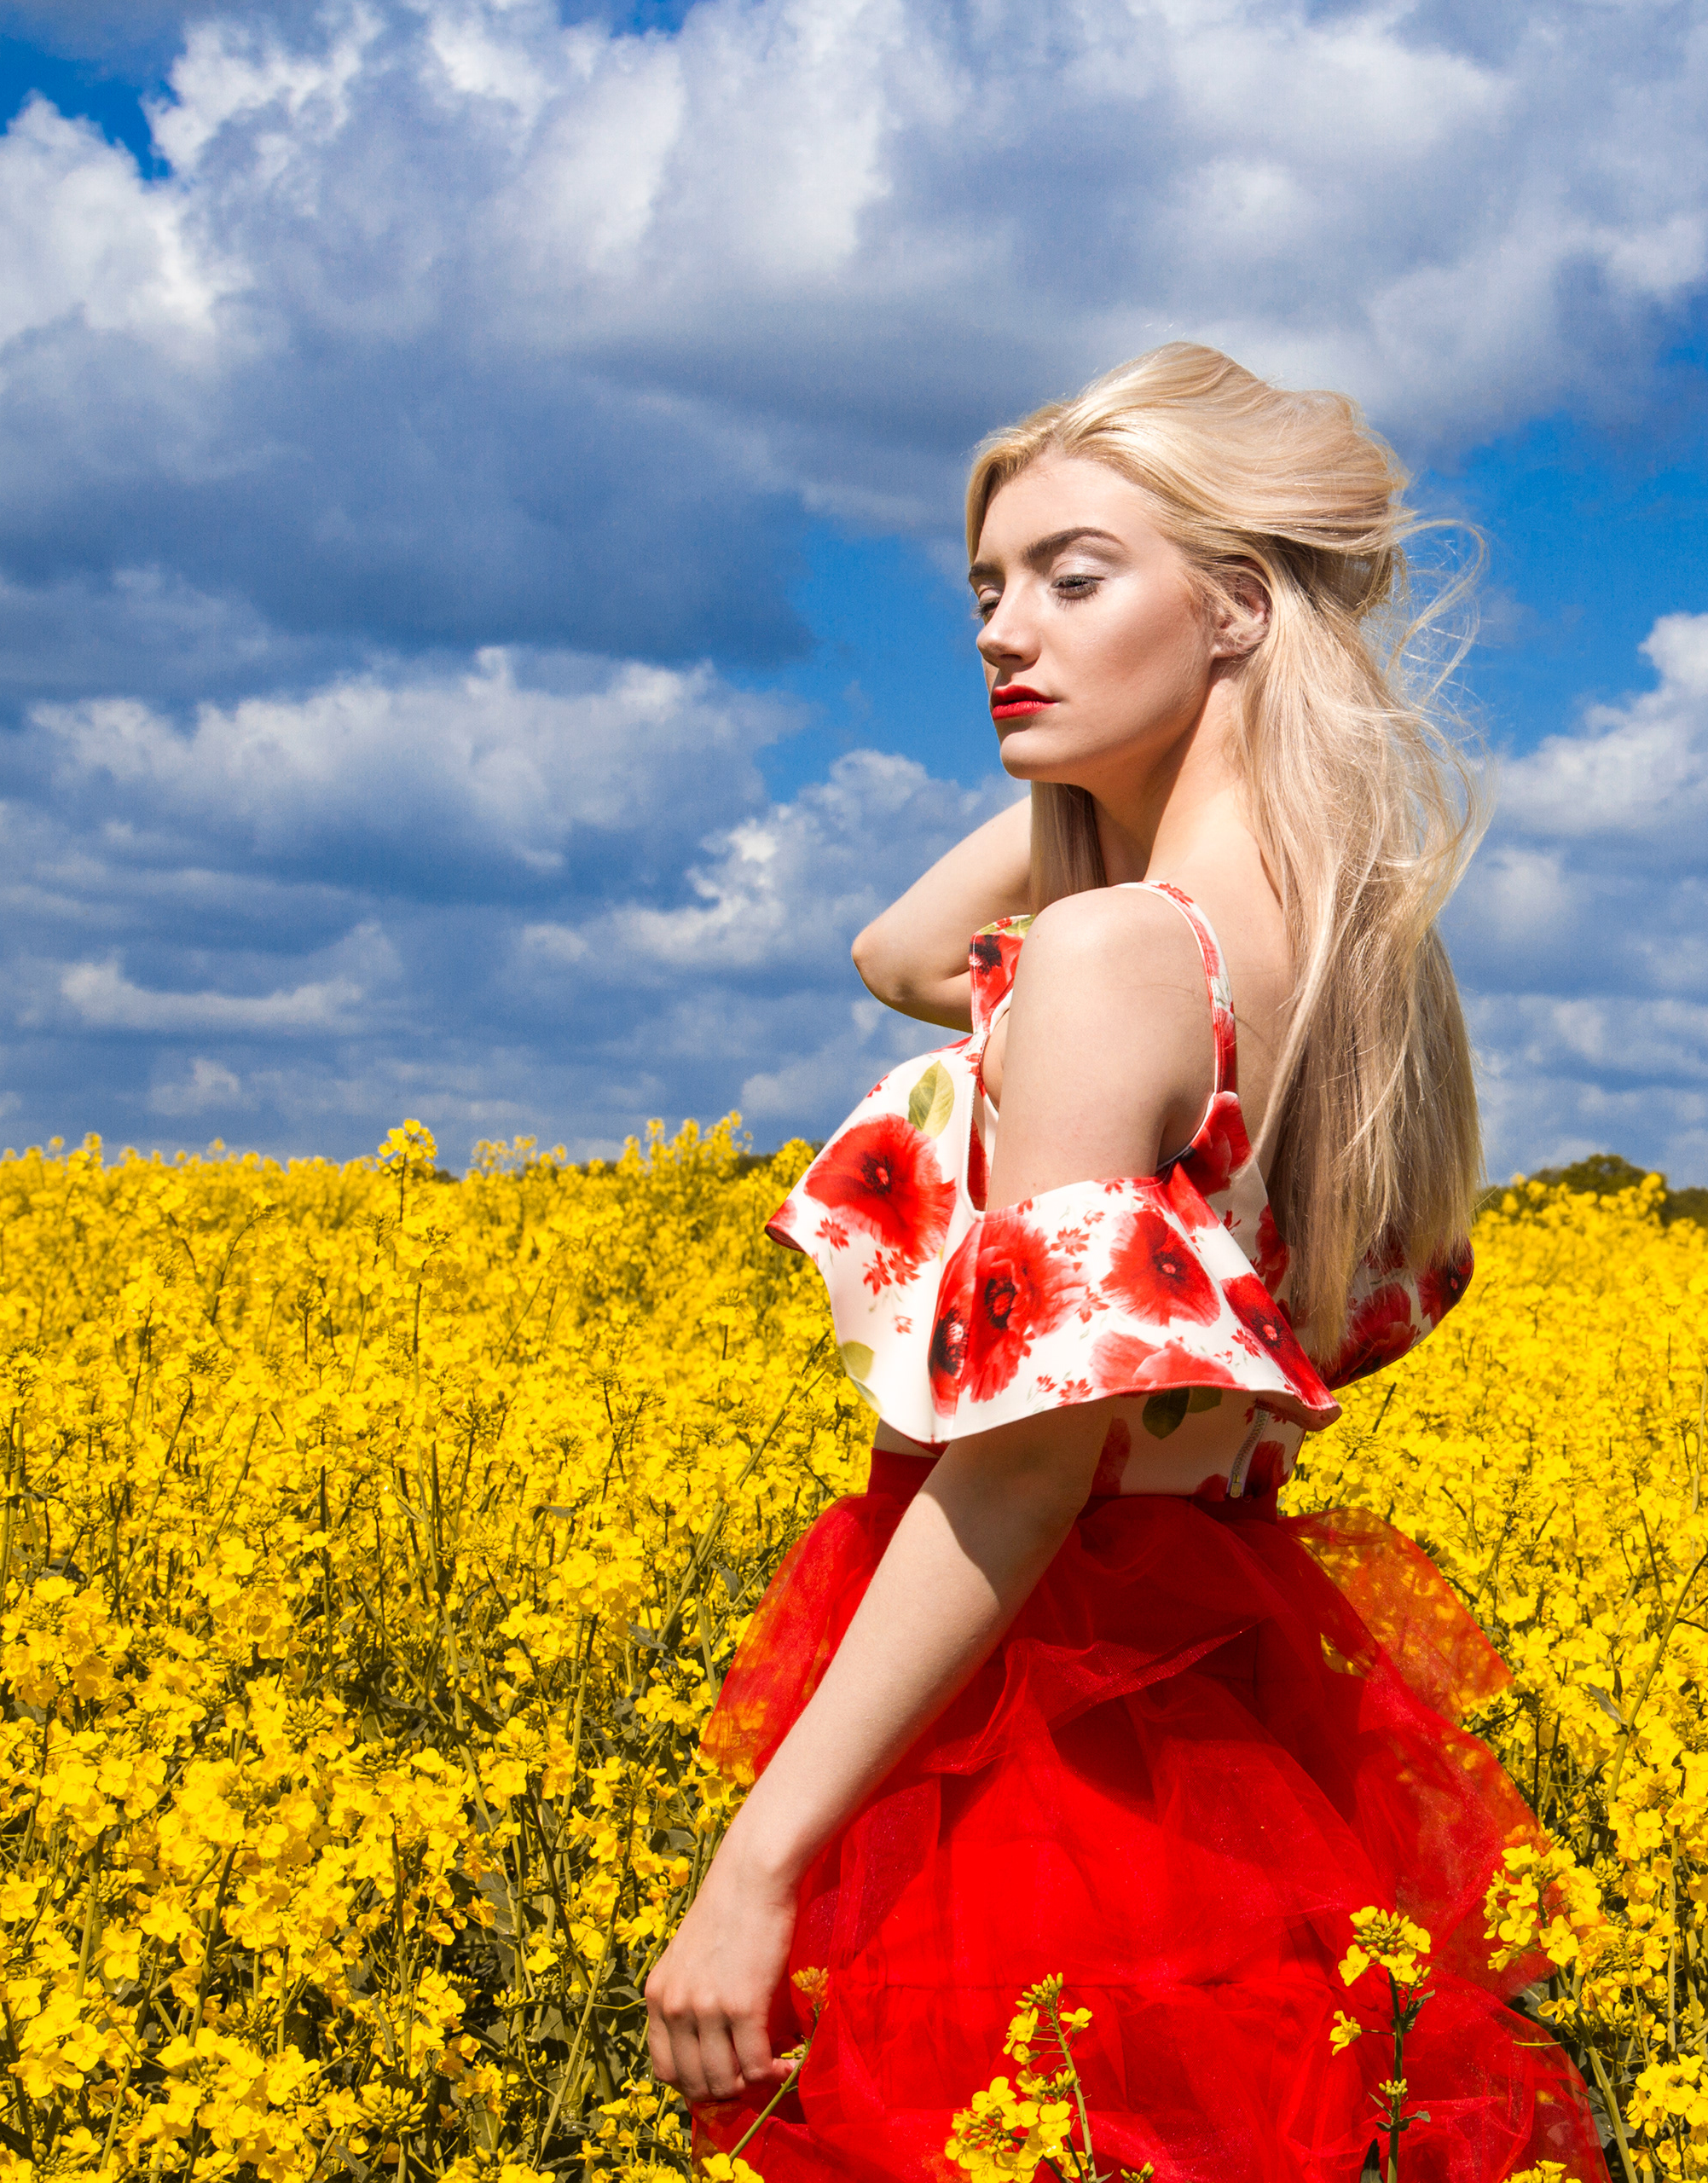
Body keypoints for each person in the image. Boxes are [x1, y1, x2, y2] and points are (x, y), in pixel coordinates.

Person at [643, 345, 1605, 2183]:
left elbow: (1026, 1462)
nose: (1004, 632)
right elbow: (898, 954)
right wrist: (1109, 757)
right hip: (1231, 1713)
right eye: (986, 591)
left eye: (1074, 578)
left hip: (1046, 1736)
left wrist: (757, 1865)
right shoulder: (1360, 964)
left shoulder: (1113, 962)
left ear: (1239, 607)